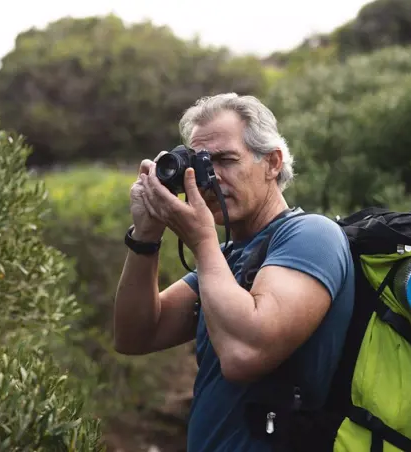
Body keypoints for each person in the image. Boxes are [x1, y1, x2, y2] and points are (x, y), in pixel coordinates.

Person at [113, 93, 355, 452]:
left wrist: (203, 242)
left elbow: (245, 355)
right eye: (200, 162)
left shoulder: (311, 236)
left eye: (226, 160)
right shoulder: (227, 257)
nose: (211, 178)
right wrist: (146, 236)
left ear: (272, 163)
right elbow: (136, 335)